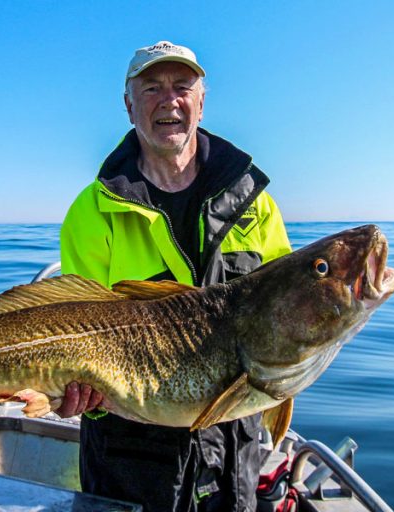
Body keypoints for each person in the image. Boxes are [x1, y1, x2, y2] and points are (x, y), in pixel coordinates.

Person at [58, 41, 291, 512]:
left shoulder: (256, 203)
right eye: (151, 88)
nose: (170, 100)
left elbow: (285, 313)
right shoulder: (91, 211)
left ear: (201, 103)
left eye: (183, 87)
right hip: (129, 459)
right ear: (129, 105)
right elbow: (68, 328)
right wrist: (77, 393)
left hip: (232, 454)